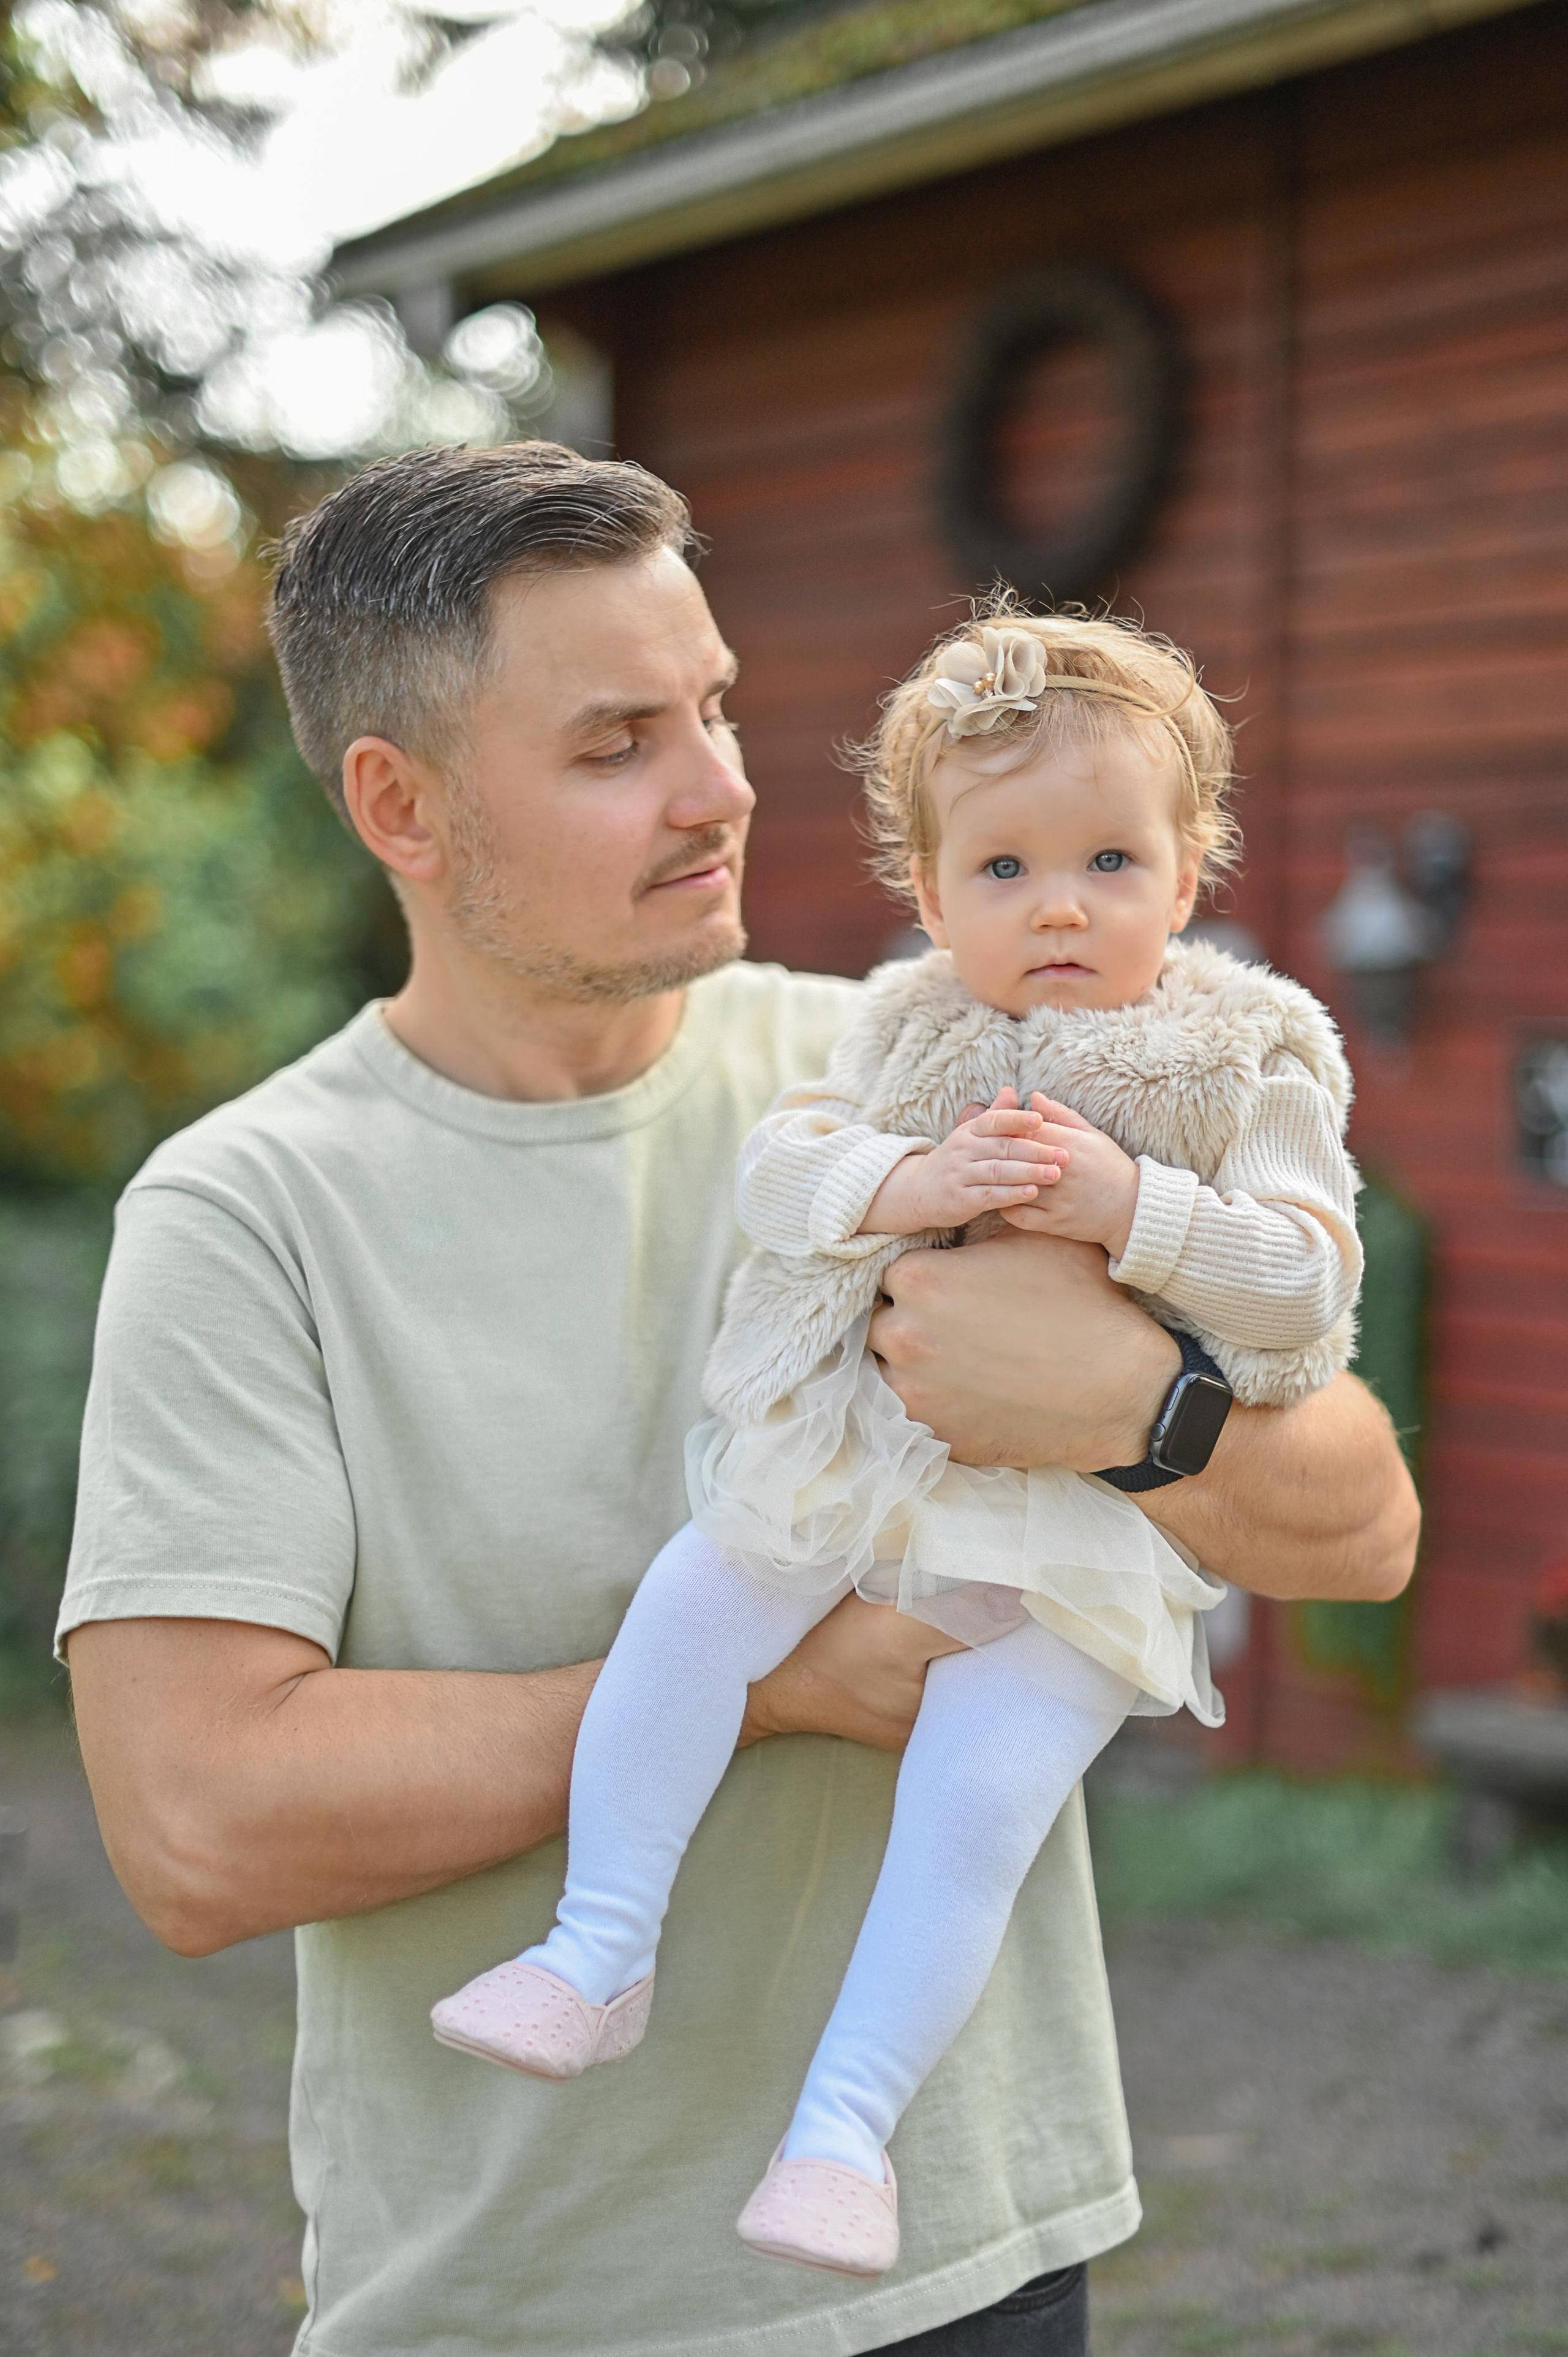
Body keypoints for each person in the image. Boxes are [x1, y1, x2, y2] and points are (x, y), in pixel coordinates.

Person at [59, 444, 1419, 2357]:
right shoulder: (248, 1213)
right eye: (619, 743)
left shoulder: (921, 1053)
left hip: (977, 2260)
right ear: (402, 804)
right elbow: (201, 1830)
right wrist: (784, 1689)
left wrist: (1131, 1407)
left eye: (714, 706)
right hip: (528, 2309)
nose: (723, 788)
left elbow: (1363, 1527)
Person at [432, 608, 1365, 2280]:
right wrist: (900, 1185)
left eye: (1105, 858)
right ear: (931, 900)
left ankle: (844, 2129)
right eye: (1001, 871)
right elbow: (781, 1178)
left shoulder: (1250, 1053)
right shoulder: (907, 1031)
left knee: (975, 1803)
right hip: (875, 1477)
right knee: (696, 1604)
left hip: (1081, 1537)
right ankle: (598, 1945)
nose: (1059, 903)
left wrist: (1131, 1209)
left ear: (1188, 865)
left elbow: (1307, 1284)